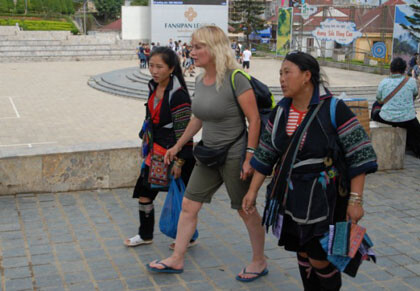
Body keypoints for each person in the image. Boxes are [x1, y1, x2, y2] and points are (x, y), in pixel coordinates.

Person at [242, 51, 378, 290]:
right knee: (302, 253)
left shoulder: (334, 109)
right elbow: (265, 155)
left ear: (307, 76)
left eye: (287, 73)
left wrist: (356, 200)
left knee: (319, 257)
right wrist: (252, 192)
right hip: (291, 197)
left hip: (325, 199)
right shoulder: (281, 112)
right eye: (280, 73)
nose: (282, 79)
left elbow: (360, 155)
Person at [147, 25, 268, 282]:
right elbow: (197, 118)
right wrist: (178, 146)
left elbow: (254, 119)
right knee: (189, 205)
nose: (192, 51)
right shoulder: (201, 80)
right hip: (208, 154)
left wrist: (249, 157)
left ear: (214, 48)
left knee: (246, 209)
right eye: (192, 46)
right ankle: (177, 258)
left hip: (235, 156)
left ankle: (259, 260)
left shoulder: (236, 78)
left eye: (198, 46)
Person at [124, 47, 197, 249]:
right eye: (151, 66)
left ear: (171, 68)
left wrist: (180, 161)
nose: (154, 71)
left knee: (183, 199)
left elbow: (185, 132)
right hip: (154, 152)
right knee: (144, 192)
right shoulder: (152, 87)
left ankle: (188, 237)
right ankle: (145, 234)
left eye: (159, 67)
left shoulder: (179, 95)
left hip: (174, 154)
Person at [373, 57, 420, 157]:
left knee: (375, 107)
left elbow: (379, 99)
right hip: (407, 118)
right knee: (416, 128)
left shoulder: (383, 82)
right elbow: (414, 96)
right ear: (404, 69)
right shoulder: (411, 81)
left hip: (387, 118)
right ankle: (414, 149)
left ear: (391, 69)